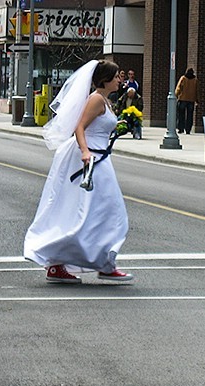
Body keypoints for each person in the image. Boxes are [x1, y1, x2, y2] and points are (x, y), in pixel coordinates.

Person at [24, 60, 133, 283]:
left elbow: (98, 126)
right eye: (115, 77)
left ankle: (104, 263)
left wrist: (118, 126)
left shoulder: (104, 100)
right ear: (104, 80)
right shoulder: (95, 99)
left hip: (101, 158)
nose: (119, 80)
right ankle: (58, 261)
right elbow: (79, 127)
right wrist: (85, 151)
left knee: (102, 212)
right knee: (101, 212)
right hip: (91, 159)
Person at [175, 68, 198, 134]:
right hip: (191, 100)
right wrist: (197, 99)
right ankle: (188, 129)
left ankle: (181, 128)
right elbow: (197, 91)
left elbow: (178, 88)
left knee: (181, 115)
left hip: (182, 98)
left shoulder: (183, 78)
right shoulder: (195, 80)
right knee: (190, 115)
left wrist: (176, 95)